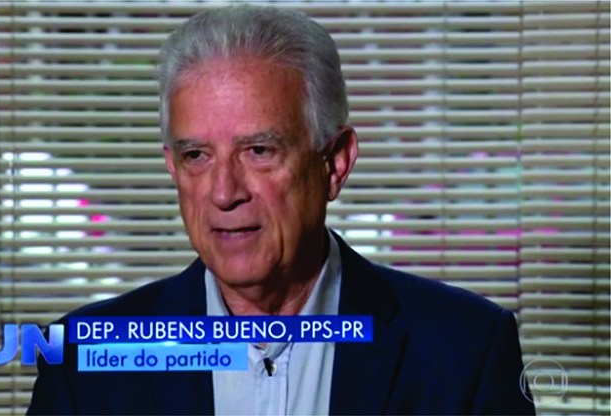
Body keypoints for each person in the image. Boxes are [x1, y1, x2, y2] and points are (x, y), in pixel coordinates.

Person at [28, 5, 536, 415]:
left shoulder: (466, 353)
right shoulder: (81, 365)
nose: (223, 193)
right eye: (197, 156)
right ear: (172, 168)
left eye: (259, 151)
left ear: (334, 163)